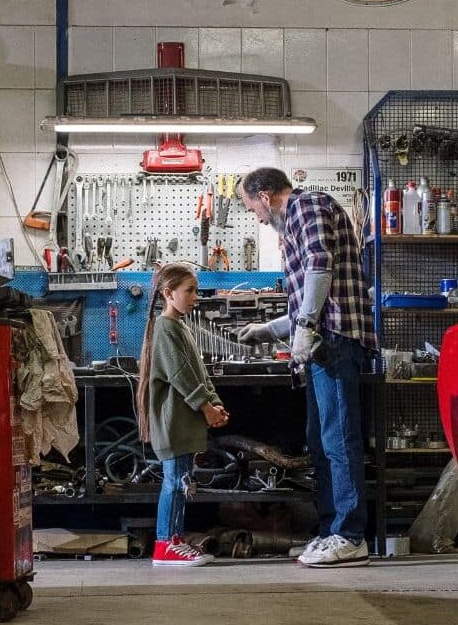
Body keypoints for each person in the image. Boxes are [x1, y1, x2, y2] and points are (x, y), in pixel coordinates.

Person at [234, 167, 376, 568]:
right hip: (321, 342)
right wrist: (270, 329)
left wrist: (307, 327)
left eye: (252, 208)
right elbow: (307, 298)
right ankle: (332, 532)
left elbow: (319, 267)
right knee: (320, 442)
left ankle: (350, 535)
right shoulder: (296, 222)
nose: (257, 218)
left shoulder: (306, 206)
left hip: (334, 340)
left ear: (265, 196)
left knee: (338, 439)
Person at [138, 262, 229, 566]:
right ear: (168, 293)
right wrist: (206, 407)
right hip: (174, 423)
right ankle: (165, 544)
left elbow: (199, 372)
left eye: (196, 291)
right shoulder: (165, 328)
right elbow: (181, 375)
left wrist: (214, 404)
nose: (195, 297)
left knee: (181, 482)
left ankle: (174, 541)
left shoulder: (180, 327)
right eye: (189, 291)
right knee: (175, 482)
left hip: (185, 422)